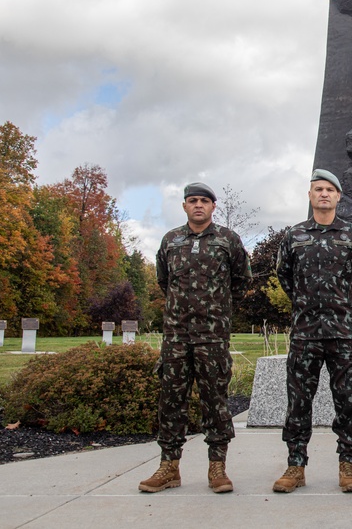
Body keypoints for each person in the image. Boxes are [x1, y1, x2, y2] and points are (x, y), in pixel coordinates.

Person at [140, 182, 252, 494]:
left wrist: (219, 308)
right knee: (171, 401)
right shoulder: (171, 240)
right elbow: (165, 280)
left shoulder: (227, 240)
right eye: (193, 201)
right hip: (176, 336)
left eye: (204, 201)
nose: (198, 205)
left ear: (213, 206)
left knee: (215, 401)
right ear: (185, 206)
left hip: (212, 337)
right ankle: (168, 467)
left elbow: (242, 280)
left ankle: (217, 466)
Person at [272, 169, 352, 494]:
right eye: (318, 189)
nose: (324, 194)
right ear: (310, 195)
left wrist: (342, 305)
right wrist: (308, 303)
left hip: (342, 335)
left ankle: (348, 466)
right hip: (305, 335)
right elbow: (284, 276)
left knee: (347, 402)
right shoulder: (294, 236)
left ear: (338, 196)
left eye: (330, 189)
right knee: (299, 402)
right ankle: (295, 466)